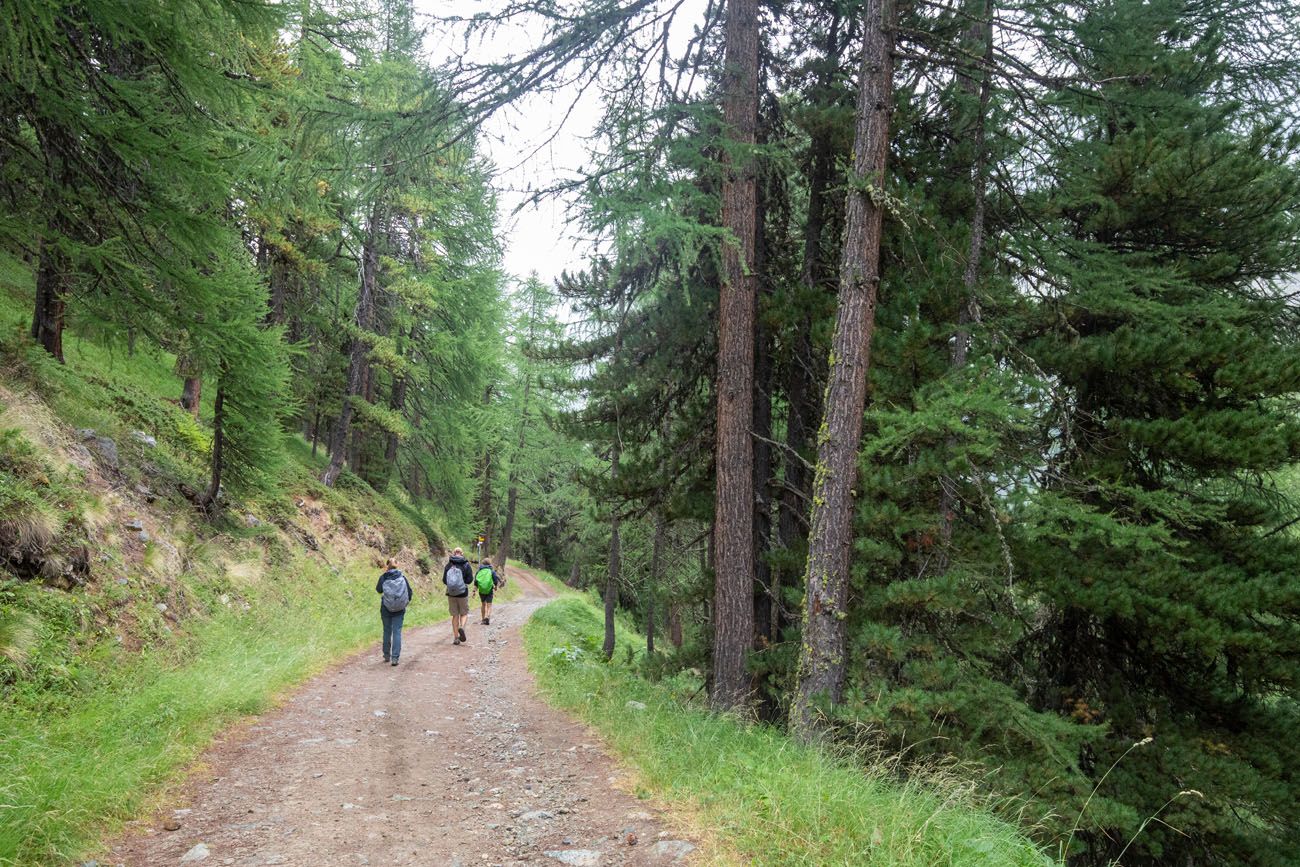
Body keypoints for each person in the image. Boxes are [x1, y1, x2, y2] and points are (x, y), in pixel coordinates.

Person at [376, 558, 413, 666]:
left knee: (387, 631)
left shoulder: (384, 577)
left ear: (387, 566)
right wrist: (404, 602)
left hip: (386, 608)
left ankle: (386, 655)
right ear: (397, 566)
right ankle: (395, 658)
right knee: (397, 632)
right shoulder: (402, 577)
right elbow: (409, 592)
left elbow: (379, 590)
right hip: (399, 609)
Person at [444, 547, 474, 645]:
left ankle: (456, 637)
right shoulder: (466, 564)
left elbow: (444, 580)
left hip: (451, 593)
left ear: (453, 553)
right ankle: (462, 627)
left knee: (455, 615)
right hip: (463, 593)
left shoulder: (449, 565)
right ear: (462, 553)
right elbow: (470, 580)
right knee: (464, 613)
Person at [474, 558, 504, 625]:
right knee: (489, 604)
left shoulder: (479, 571)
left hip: (481, 589)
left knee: (483, 604)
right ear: (489, 564)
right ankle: (487, 616)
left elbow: (476, 581)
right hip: (489, 589)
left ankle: (482, 619)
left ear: (483, 563)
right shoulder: (491, 571)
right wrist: (496, 586)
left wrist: (474, 590)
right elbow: (495, 580)